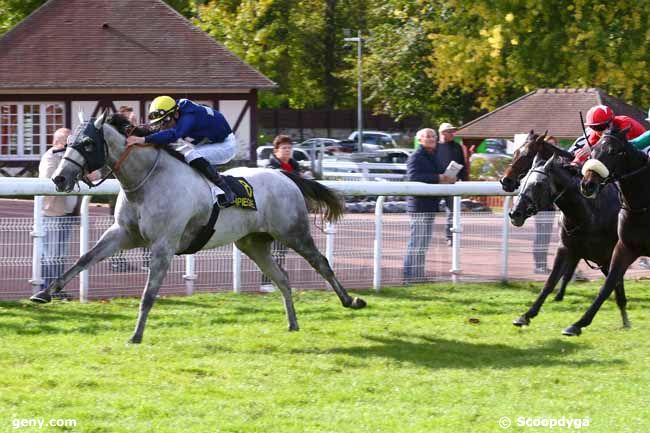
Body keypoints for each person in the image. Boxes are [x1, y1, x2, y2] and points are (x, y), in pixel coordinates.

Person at [126, 96, 236, 206]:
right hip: (207, 143)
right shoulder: (175, 110)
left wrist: (143, 139)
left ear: (176, 114)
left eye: (166, 121)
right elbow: (156, 130)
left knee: (191, 155)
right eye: (161, 122)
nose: (164, 125)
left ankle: (226, 190)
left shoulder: (189, 117)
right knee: (181, 155)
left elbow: (174, 134)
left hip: (225, 145)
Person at [403, 128, 456, 283]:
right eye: (428, 136)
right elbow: (413, 177)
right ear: (420, 140)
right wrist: (439, 177)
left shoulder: (433, 155)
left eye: (433, 136)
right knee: (416, 243)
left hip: (429, 205)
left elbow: (437, 176)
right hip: (419, 206)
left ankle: (418, 277)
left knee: (423, 244)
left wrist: (447, 177)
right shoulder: (416, 156)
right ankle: (409, 277)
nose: (432, 138)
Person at [37, 128, 78, 299]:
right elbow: (48, 180)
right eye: (66, 142)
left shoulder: (72, 158)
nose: (69, 145)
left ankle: (54, 290)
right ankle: (50, 289)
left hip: (67, 213)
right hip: (52, 213)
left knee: (59, 255)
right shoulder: (50, 157)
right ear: (57, 142)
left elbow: (94, 174)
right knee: (51, 255)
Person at [260, 135, 303, 291]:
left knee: (281, 249)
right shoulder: (270, 167)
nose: (287, 151)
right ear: (276, 150)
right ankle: (266, 283)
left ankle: (276, 282)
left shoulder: (294, 166)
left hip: (288, 213)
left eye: (289, 148)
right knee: (268, 250)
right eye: (284, 148)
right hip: (271, 213)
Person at [572, 105, 646, 165]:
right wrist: (576, 162)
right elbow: (585, 150)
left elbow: (623, 148)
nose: (598, 131)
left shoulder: (624, 122)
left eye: (600, 127)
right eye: (593, 127)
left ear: (611, 122)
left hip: (644, 147)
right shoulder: (596, 131)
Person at [437, 123, 468, 246]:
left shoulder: (457, 147)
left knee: (452, 212)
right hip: (435, 184)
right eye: (449, 131)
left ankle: (450, 237)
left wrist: (463, 180)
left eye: (453, 131)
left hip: (451, 184)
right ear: (442, 133)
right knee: (430, 211)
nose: (452, 134)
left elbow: (462, 165)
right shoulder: (434, 147)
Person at [532, 135, 558, 274]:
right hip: (540, 205)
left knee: (546, 236)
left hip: (550, 206)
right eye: (549, 145)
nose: (551, 148)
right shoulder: (539, 161)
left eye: (553, 145)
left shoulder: (555, 162)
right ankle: (539, 265)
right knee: (540, 235)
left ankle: (542, 265)